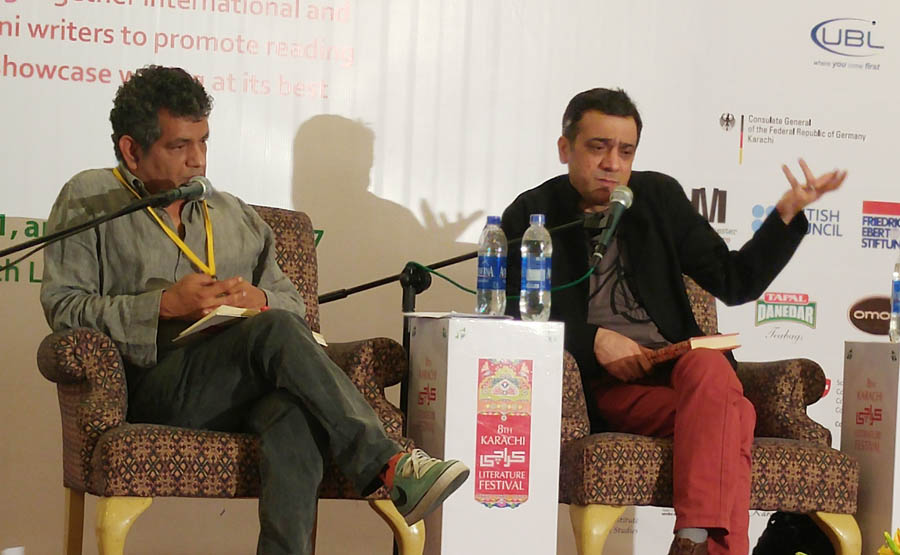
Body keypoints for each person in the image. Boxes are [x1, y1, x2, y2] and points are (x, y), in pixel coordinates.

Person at [40, 65, 469, 555]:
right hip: (153, 383)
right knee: (275, 331)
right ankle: (389, 465)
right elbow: (64, 306)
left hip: (239, 383)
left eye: (204, 141)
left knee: (293, 412)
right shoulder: (92, 198)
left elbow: (292, 304)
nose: (198, 160)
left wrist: (259, 300)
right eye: (179, 146)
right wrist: (162, 305)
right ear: (132, 150)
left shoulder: (233, 213)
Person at [500, 88, 845, 555]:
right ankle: (702, 543)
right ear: (566, 148)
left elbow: (734, 281)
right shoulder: (533, 215)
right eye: (598, 147)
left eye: (625, 151)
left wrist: (785, 214)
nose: (612, 164)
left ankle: (692, 537)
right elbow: (514, 313)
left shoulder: (657, 198)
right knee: (735, 416)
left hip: (682, 373)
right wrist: (592, 339)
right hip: (608, 387)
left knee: (709, 367)